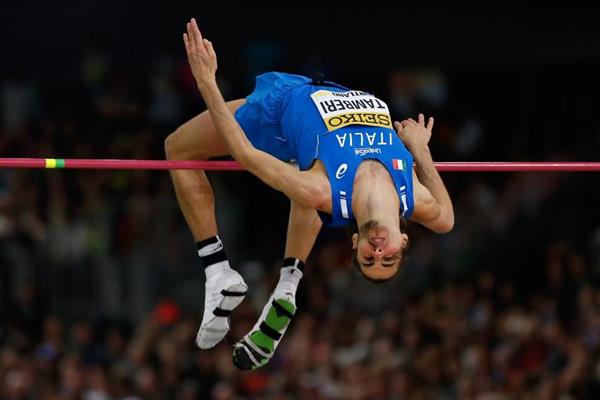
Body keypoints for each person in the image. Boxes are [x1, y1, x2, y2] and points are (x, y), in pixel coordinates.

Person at [165, 18, 454, 370]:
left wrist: (207, 83)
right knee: (307, 185)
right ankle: (288, 284)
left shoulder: (325, 190)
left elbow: (245, 154)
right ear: (404, 241)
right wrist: (421, 153)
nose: (378, 253)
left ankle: (217, 270)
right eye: (388, 259)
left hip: (279, 109)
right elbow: (447, 219)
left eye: (369, 260)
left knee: (178, 148)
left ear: (355, 246)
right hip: (331, 90)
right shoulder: (414, 195)